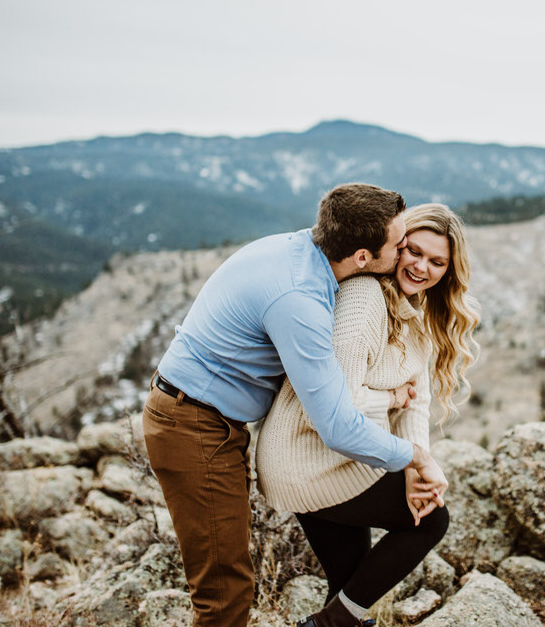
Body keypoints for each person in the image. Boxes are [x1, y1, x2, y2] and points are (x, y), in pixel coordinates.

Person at [141, 184, 450, 627]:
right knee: (225, 589)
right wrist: (414, 458)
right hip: (193, 425)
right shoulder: (302, 301)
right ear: (363, 256)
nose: (406, 255)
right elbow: (336, 425)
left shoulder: (297, 251)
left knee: (333, 576)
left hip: (210, 417)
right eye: (400, 244)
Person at [256, 203, 480, 627]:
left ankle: (334, 621)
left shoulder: (416, 312)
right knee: (430, 520)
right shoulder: (364, 301)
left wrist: (417, 465)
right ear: (396, 245)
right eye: (413, 251)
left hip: (343, 457)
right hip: (308, 456)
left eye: (437, 262)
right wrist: (391, 400)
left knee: (348, 585)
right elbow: (332, 406)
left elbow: (417, 400)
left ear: (449, 271)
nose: (420, 267)